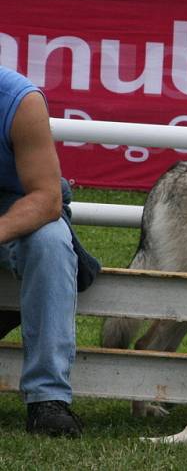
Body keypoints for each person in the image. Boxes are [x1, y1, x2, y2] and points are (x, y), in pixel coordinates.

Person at [0, 65, 99, 436]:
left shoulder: (19, 100)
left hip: (22, 203)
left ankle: (47, 400)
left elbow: (46, 198)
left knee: (51, 242)